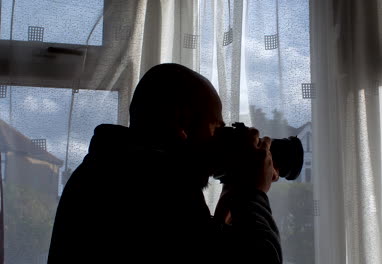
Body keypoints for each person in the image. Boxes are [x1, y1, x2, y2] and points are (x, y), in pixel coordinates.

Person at [48, 63, 282, 263]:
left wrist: (234, 194)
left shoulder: (112, 165)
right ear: (182, 124)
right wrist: (253, 192)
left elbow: (200, 249)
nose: (218, 140)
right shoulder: (155, 179)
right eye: (215, 128)